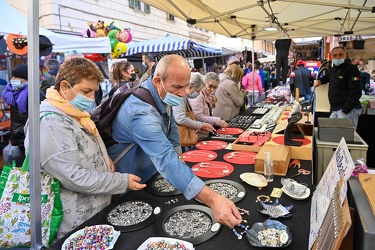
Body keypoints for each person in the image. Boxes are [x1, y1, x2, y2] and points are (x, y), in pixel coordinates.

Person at [107, 55, 242, 228]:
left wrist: (180, 159)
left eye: (185, 87)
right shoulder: (141, 112)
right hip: (128, 180)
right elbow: (165, 159)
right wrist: (214, 200)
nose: (183, 93)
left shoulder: (162, 94)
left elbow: (171, 130)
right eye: (177, 87)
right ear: (157, 81)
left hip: (147, 174)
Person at [24, 57, 146, 241]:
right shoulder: (51, 122)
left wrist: (104, 160)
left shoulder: (72, 113)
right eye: (86, 91)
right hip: (73, 221)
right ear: (64, 86)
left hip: (91, 211)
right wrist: (121, 181)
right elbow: (72, 176)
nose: (90, 98)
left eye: (93, 92)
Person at [2, 64, 46, 166]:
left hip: (29, 141)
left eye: (17, 78)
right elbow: (16, 120)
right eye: (12, 77)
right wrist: (13, 138)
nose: (13, 80)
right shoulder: (14, 93)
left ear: (27, 80)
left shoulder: (36, 94)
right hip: (19, 139)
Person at [314, 46, 362, 129]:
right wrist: (319, 81)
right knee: (331, 133)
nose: (337, 57)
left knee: (344, 137)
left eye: (340, 55)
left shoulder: (351, 69)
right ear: (332, 57)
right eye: (335, 55)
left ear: (345, 55)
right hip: (336, 109)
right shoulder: (334, 69)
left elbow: (356, 92)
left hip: (347, 110)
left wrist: (346, 110)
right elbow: (327, 77)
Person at [173, 72, 215, 142]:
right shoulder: (180, 96)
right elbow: (180, 119)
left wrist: (201, 124)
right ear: (190, 87)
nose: (198, 94)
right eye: (198, 91)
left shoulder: (185, 97)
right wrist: (199, 125)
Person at [190, 72, 228, 139]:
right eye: (210, 86)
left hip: (204, 132)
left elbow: (205, 111)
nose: (212, 89)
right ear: (204, 83)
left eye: (215, 87)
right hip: (199, 134)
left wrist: (212, 105)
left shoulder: (206, 94)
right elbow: (198, 116)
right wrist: (218, 121)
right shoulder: (199, 95)